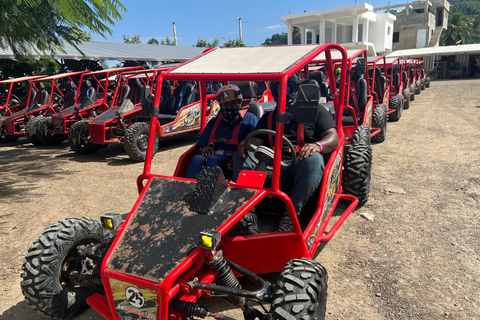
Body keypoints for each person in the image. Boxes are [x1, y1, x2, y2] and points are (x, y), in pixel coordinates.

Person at [235, 74, 339, 231]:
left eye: (288, 88)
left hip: (299, 166)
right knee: (242, 156)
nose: (282, 94)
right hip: (271, 166)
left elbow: (333, 137)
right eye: (277, 90)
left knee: (315, 159)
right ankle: (248, 212)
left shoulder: (317, 111)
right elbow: (255, 141)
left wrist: (318, 145)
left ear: (297, 90)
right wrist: (245, 145)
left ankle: (289, 216)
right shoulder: (268, 118)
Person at [186, 84, 258, 179]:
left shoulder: (249, 119)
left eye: (233, 103)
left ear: (240, 102)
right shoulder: (213, 122)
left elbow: (257, 144)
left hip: (236, 157)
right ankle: (189, 188)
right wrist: (205, 149)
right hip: (215, 154)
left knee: (212, 159)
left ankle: (210, 192)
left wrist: (238, 155)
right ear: (221, 106)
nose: (230, 107)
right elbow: (200, 146)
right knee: (197, 159)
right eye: (226, 105)